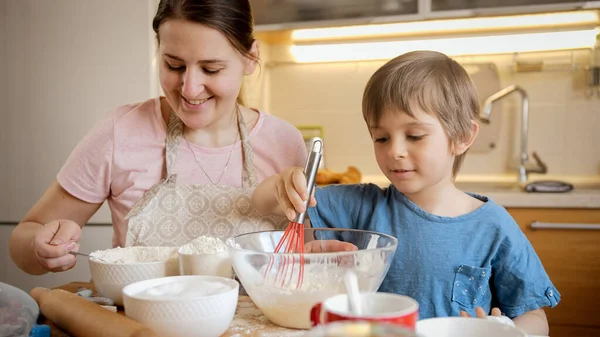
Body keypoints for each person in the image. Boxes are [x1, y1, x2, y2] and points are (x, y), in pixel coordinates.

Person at [251, 50, 559, 335]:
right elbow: (262, 202)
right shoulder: (362, 204)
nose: (395, 151)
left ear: (463, 136)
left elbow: (535, 317)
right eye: (381, 138)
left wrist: (504, 330)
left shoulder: (493, 227)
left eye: (414, 135)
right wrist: (285, 183)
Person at [10, 0, 307, 276]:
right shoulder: (121, 131)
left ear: (250, 58)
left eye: (210, 69)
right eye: (174, 65)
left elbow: (301, 261)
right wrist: (41, 248)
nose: (189, 88)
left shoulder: (285, 143)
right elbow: (24, 237)